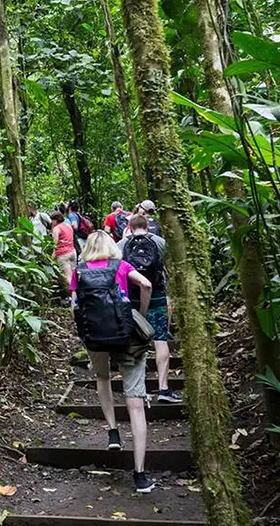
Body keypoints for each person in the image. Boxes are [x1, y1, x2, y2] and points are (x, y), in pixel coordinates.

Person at [71, 230, 155, 493]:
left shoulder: (80, 271)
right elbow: (147, 285)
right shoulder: (122, 265)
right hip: (125, 335)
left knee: (102, 377)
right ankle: (140, 475)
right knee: (136, 403)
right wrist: (139, 315)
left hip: (96, 337)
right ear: (111, 245)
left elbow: (74, 306)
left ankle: (112, 431)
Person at [119, 214, 181, 403]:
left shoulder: (121, 245)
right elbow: (169, 268)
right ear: (148, 225)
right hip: (157, 295)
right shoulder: (161, 242)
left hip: (132, 300)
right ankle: (163, 389)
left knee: (136, 342)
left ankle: (140, 388)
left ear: (129, 226)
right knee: (161, 340)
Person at [50, 211, 77, 290]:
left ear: (56, 220)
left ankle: (73, 297)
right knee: (73, 276)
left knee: (67, 277)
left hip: (63, 254)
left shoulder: (56, 228)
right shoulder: (68, 226)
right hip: (72, 252)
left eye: (52, 220)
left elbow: (55, 244)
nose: (51, 222)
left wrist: (52, 256)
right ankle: (75, 295)